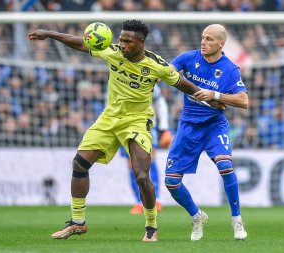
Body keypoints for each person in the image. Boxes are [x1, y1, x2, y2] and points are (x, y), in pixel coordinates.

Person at [28, 20, 223, 242]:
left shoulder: (157, 66)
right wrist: (50, 34)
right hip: (109, 119)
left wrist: (210, 99)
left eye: (127, 41)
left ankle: (151, 225)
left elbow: (183, 84)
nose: (121, 44)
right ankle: (77, 222)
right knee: (79, 164)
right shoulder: (112, 52)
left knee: (141, 175)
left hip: (137, 122)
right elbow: (82, 44)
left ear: (140, 43)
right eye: (121, 39)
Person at [164, 24, 249, 241]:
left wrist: (216, 95)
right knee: (171, 182)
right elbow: (166, 73)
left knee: (225, 165)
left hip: (214, 125)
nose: (203, 42)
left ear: (221, 43)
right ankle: (197, 216)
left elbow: (243, 100)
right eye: (203, 37)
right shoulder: (188, 58)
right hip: (188, 126)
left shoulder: (230, 69)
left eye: (209, 39)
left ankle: (237, 220)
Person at [121, 86, 171, 214]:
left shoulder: (148, 77)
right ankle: (139, 201)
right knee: (131, 165)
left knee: (149, 162)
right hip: (123, 127)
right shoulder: (116, 78)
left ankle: (156, 199)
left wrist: (164, 127)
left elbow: (159, 102)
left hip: (146, 125)